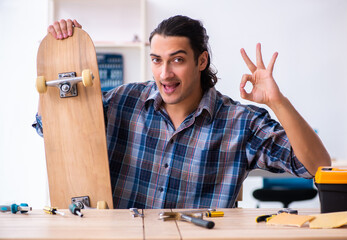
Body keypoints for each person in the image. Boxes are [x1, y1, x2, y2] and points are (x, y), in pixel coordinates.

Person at [35, 15, 331, 209]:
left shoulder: (240, 123)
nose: (165, 74)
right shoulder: (123, 101)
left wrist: (277, 101)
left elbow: (316, 167)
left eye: (177, 60)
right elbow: (52, 129)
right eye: (156, 60)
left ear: (201, 61)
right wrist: (59, 59)